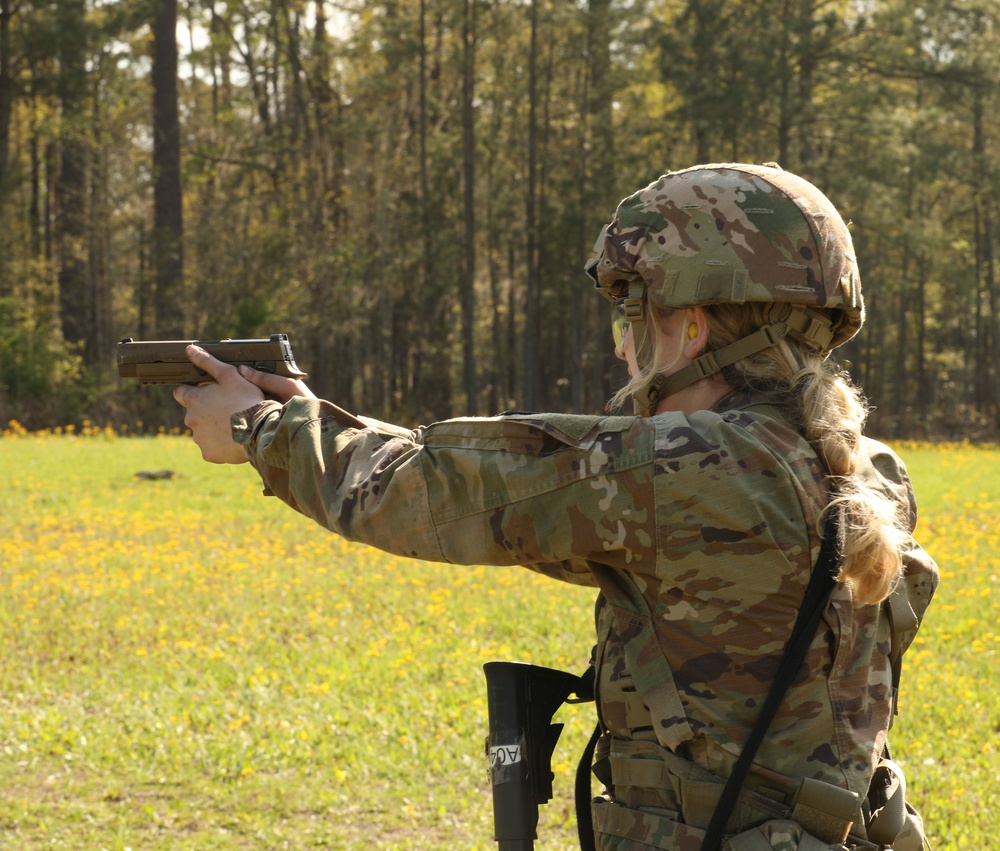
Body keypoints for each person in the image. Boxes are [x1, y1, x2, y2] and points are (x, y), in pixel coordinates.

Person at [174, 163, 937, 851]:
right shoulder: (864, 468)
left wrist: (259, 427)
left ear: (692, 324)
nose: (621, 349)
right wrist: (308, 414)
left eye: (629, 318)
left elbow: (423, 494)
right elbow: (468, 472)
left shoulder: (682, 471)